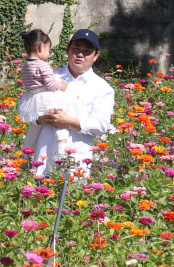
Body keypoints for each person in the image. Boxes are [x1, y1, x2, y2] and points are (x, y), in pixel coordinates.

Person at [32, 29, 114, 176]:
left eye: (87, 51)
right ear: (68, 49)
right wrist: (40, 118)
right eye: (76, 49)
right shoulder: (49, 76)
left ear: (96, 56)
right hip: (43, 159)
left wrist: (68, 121)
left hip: (76, 164)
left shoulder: (101, 88)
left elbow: (101, 124)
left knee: (72, 198)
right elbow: (26, 109)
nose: (80, 54)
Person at [18, 29, 70, 153]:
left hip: (32, 99)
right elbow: (50, 84)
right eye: (48, 49)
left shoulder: (25, 66)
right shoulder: (43, 65)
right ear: (41, 47)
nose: (48, 53)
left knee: (34, 128)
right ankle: (62, 151)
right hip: (46, 98)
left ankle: (25, 155)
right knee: (59, 124)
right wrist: (62, 85)